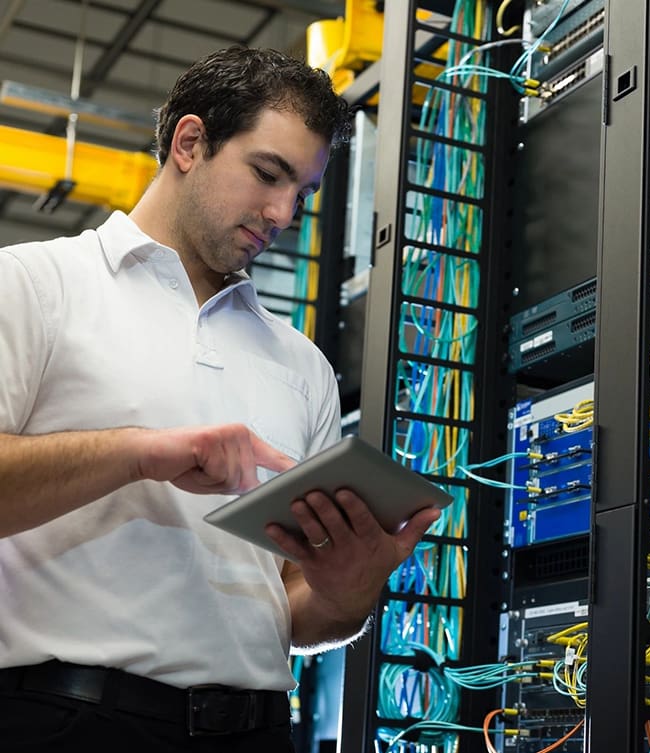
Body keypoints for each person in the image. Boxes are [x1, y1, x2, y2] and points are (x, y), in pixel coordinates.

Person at [0, 45, 439, 752]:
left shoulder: (303, 367)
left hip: (257, 729)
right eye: (268, 174)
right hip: (71, 722)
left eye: (303, 192)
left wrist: (344, 592)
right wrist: (140, 452)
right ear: (190, 142)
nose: (282, 212)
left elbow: (295, 608)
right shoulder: (33, 285)